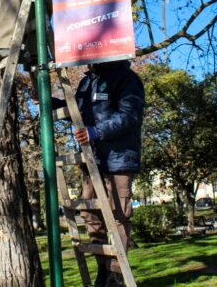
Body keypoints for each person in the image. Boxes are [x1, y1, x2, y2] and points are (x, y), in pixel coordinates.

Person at [62, 59, 145, 287]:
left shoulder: (127, 79)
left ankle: (116, 274)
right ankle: (104, 268)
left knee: (119, 215)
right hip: (94, 160)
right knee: (89, 211)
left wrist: (96, 132)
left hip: (119, 160)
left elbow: (130, 115)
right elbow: (77, 110)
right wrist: (53, 104)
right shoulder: (88, 81)